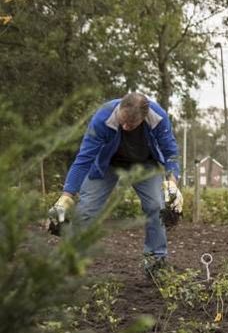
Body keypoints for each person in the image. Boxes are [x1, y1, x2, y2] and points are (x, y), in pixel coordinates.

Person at [49, 93, 182, 276]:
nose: (125, 127)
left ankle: (155, 262)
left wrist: (172, 183)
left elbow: (170, 152)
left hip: (145, 164)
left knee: (156, 206)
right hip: (107, 164)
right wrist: (66, 196)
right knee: (86, 210)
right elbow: (83, 159)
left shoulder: (157, 117)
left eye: (131, 125)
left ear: (143, 118)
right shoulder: (103, 117)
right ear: (119, 108)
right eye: (122, 121)